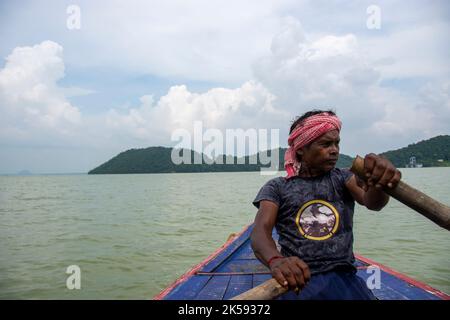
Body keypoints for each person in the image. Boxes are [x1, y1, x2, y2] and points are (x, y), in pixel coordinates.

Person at [251, 110, 401, 300]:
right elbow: (260, 232)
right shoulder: (278, 187)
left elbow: (373, 203)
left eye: (337, 143)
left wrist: (378, 184)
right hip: (299, 279)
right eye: (325, 144)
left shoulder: (342, 178)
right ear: (301, 149)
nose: (334, 150)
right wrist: (276, 260)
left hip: (344, 277)